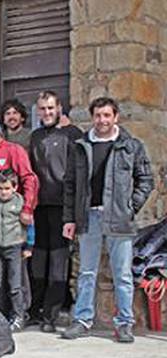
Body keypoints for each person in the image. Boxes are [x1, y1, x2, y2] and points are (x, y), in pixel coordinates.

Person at [61, 97, 154, 343]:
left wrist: (129, 207)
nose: (102, 120)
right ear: (93, 118)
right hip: (88, 216)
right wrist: (69, 218)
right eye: (98, 115)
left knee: (122, 274)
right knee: (86, 272)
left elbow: (146, 179)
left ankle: (124, 323)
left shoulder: (130, 146)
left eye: (106, 115)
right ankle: (82, 320)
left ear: (116, 117)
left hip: (119, 219)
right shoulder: (81, 146)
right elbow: (70, 185)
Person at [28, 91, 83, 331]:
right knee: (38, 262)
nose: (47, 112)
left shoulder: (72, 135)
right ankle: (35, 311)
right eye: (42, 109)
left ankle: (51, 316)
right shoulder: (35, 136)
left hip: (62, 207)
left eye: (51, 108)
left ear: (59, 108)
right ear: (37, 111)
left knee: (59, 263)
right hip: (39, 208)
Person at [0, 170, 35, 332]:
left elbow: (30, 225)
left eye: (6, 188)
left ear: (15, 188)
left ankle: (18, 316)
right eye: (0, 188)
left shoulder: (20, 202)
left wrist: (29, 246)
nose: (3, 192)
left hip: (15, 246)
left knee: (15, 284)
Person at [0, 118, 39, 224]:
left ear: (0, 134)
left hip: (14, 213)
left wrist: (27, 208)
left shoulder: (14, 150)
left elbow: (29, 179)